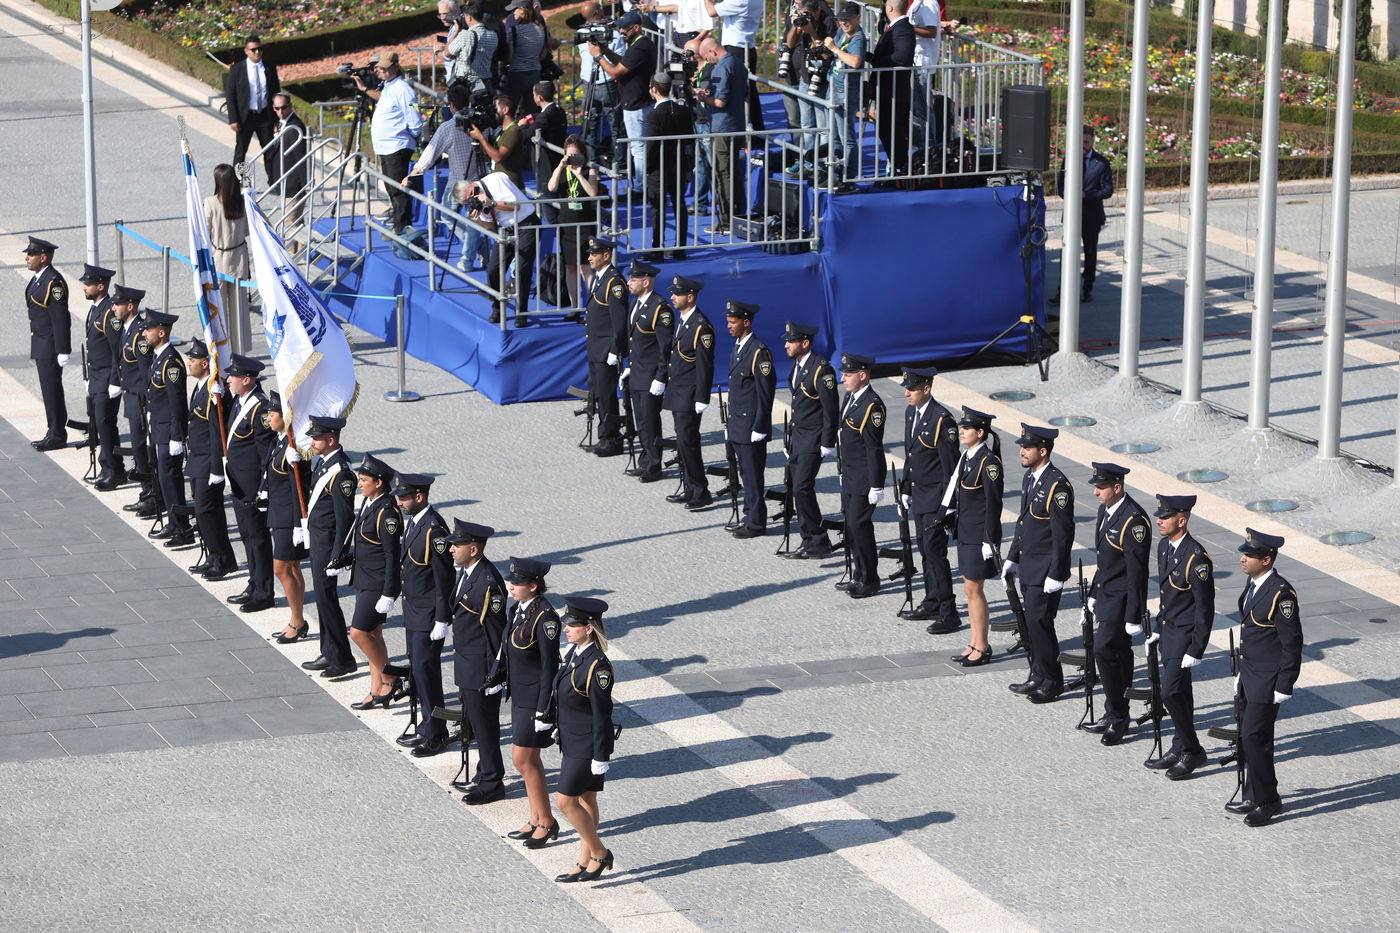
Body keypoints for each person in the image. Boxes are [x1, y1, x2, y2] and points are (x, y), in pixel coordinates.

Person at [1227, 528, 1302, 828]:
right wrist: (1241, 674)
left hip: (1268, 681)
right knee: (1251, 738)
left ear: (1267, 560)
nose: (1243, 559)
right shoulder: (1254, 582)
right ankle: (1253, 793)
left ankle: (1269, 799)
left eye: (1251, 556)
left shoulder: (1281, 594)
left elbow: (1292, 641)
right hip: (1250, 675)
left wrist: (1286, 683)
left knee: (1254, 737)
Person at [1002, 424, 1074, 704]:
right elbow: (1024, 524)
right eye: (1022, 447)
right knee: (1031, 625)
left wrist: (1057, 573)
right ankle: (1037, 674)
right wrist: (1012, 556)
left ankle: (1052, 681)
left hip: (1045, 570)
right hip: (1029, 566)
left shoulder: (1057, 485)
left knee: (1040, 623)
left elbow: (1062, 534)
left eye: (1027, 448)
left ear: (1042, 451)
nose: (1021, 451)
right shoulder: (1031, 479)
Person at [1081, 462, 1151, 746]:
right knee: (1118, 654)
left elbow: (1137, 573)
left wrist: (1135, 614)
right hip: (1107, 594)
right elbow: (1104, 558)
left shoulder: (1134, 521)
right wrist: (1095, 591)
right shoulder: (1106, 510)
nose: (1096, 492)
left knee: (1103, 648)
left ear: (1117, 488)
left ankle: (1119, 715)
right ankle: (1114, 712)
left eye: (1101, 487)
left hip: (1122, 599)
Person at [1145, 494, 1214, 779]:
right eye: (1159, 516)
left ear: (1182, 520)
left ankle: (1194, 750)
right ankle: (1179, 745)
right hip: (1169, 631)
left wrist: (1197, 648)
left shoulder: (1196, 558)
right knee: (1180, 693)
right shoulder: (1164, 547)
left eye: (1165, 517)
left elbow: (1204, 607)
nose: (1159, 521)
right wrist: (1158, 628)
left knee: (1170, 692)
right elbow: (1167, 596)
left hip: (1185, 636)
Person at [550, 596, 616, 884]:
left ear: (589, 628)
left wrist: (601, 755)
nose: (566, 628)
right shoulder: (575, 654)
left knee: (565, 801)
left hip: (587, 745)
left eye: (573, 625)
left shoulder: (597, 666)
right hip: (572, 739)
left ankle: (600, 853)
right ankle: (584, 858)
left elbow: (602, 714)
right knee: (586, 799)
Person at [445, 518, 509, 805]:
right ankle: (484, 771)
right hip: (467, 661)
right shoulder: (466, 573)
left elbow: (496, 633)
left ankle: (492, 781)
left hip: (480, 667)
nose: (451, 550)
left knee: (485, 726)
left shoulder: (487, 583)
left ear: (473, 549)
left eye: (456, 545)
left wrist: (496, 673)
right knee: (476, 722)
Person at [393, 472, 455, 757]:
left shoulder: (434, 530)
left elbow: (444, 577)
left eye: (404, 497)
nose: (400, 502)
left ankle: (437, 733)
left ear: (420, 497)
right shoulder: (414, 523)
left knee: (427, 674)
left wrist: (442, 618)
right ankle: (427, 726)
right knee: (418, 672)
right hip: (414, 611)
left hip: (429, 615)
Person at [503, 557, 562, 849]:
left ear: (533, 586)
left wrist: (544, 708)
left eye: (517, 583)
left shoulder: (546, 618)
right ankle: (537, 817)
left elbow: (550, 666)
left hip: (534, 698)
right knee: (527, 760)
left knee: (523, 760)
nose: (511, 586)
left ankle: (547, 821)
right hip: (520, 695)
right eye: (511, 581)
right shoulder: (519, 609)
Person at [896, 366, 960, 630]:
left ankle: (949, 611)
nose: (906, 394)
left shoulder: (942, 420)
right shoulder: (913, 413)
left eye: (911, 389)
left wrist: (948, 508)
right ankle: (932, 601)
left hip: (936, 499)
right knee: (924, 551)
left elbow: (950, 469)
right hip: (920, 495)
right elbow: (911, 457)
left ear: (927, 389)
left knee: (935, 554)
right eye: (906, 388)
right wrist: (906, 489)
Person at [300, 415, 359, 679]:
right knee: (322, 599)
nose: (311, 442)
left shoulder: (341, 473)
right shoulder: (323, 464)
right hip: (319, 541)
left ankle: (343, 657)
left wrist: (339, 554)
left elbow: (345, 518)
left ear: (331, 440)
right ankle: (329, 649)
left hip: (328, 546)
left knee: (327, 598)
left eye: (316, 438)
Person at [346, 454, 404, 711]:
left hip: (378, 583)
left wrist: (390, 592)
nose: (360, 483)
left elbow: (392, 556)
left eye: (364, 480)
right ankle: (376, 689)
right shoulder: (370, 503)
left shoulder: (387, 512)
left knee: (358, 633)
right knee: (373, 634)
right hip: (365, 578)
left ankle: (391, 679)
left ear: (379, 483)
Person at [221, 353, 276, 613]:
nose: (228, 379)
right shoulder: (239, 400)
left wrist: (264, 490)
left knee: (257, 539)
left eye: (233, 375)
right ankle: (254, 583)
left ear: (246, 379)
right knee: (246, 537)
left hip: (253, 487)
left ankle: (264, 592)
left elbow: (266, 455)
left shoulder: (260, 408)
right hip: (239, 483)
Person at [948, 407, 1002, 666]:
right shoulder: (969, 457)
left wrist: (989, 539)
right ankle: (974, 640)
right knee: (969, 589)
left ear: (980, 433)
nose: (962, 431)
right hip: (966, 531)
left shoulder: (988, 462)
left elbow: (994, 504)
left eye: (967, 429)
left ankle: (982, 645)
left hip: (979, 535)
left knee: (974, 589)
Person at [182, 339, 238, 581]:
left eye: (192, 360)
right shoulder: (201, 388)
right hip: (197, 459)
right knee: (205, 512)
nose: (188, 363)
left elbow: (218, 431)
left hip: (208, 462)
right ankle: (215, 557)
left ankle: (222, 559)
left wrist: (217, 467)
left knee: (207, 511)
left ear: (206, 363)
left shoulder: (214, 392)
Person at [781, 321, 838, 559]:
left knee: (803, 487)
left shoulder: (821, 369)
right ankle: (809, 539)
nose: (786, 345)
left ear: (805, 343)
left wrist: (827, 441)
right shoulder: (798, 366)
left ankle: (817, 539)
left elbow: (830, 409)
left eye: (791, 341)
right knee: (796, 487)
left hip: (813, 439)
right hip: (799, 437)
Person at [661, 274, 715, 510]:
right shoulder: (683, 321)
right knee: (682, 443)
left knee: (688, 442)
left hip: (690, 395)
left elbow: (705, 365)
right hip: (678, 391)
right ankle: (690, 487)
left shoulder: (701, 327)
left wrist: (702, 397)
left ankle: (701, 491)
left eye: (677, 294)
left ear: (690, 297)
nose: (672, 297)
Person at [140, 311, 194, 548]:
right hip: (159, 428)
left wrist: (177, 436)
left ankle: (183, 528)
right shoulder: (158, 357)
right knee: (164, 478)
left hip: (168, 431)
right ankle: (174, 522)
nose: (144, 333)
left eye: (148, 330)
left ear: (161, 333)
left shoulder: (171, 362)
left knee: (171, 479)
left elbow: (177, 402)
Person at [355, 53, 424, 234]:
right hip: (387, 146)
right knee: (391, 187)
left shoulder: (402, 88)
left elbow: (413, 116)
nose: (381, 71)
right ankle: (398, 225)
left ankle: (402, 228)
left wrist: (414, 135)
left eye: (385, 68)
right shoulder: (388, 86)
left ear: (395, 66)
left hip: (397, 145)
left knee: (397, 189)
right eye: (379, 68)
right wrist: (364, 89)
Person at [723, 300, 775, 538]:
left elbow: (766, 393)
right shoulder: (739, 347)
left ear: (746, 322)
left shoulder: (758, 352)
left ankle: (756, 523)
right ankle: (748, 516)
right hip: (739, 423)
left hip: (751, 425)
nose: (729, 326)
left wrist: (761, 425)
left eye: (733, 322)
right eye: (728, 322)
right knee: (745, 474)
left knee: (753, 477)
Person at [836, 353, 886, 598]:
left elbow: (873, 448)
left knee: (859, 525)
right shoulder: (851, 397)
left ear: (862, 375)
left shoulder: (872, 406)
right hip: (851, 474)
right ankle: (858, 573)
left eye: (848, 374)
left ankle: (869, 578)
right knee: (851, 526)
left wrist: (876, 484)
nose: (842, 378)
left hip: (864, 478)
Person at [262, 392, 311, 643]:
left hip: (287, 518)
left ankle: (297, 620)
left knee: (281, 569)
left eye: (272, 414)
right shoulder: (279, 440)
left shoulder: (294, 446)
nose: (268, 418)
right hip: (277, 514)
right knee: (292, 568)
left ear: (285, 417)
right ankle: (297, 617)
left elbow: (298, 488)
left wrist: (297, 524)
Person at [588, 10, 655, 189]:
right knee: (638, 147)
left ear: (637, 27)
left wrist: (598, 56)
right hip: (636, 102)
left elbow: (616, 71)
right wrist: (606, 51)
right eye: (620, 28)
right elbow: (623, 62)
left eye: (625, 28)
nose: (621, 31)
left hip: (636, 104)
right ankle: (641, 185)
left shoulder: (640, 47)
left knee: (638, 148)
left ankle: (640, 187)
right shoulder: (639, 44)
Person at [463, 167, 538, 327]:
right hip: (505, 229)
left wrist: (492, 203)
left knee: (522, 269)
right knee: (493, 269)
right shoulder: (476, 202)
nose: (473, 198)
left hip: (526, 223)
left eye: (472, 193)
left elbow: (515, 207)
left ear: (471, 184)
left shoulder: (495, 180)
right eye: (468, 201)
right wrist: (477, 220)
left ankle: (521, 312)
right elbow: (490, 228)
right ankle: (498, 307)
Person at [621, 261, 673, 483]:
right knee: (641, 421)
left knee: (650, 421)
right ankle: (645, 460)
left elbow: (664, 347)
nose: (628, 283)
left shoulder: (660, 309)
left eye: (633, 279)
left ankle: (654, 464)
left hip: (651, 375)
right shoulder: (636, 304)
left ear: (646, 282)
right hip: (638, 373)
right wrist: (629, 367)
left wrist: (661, 377)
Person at [111, 285, 158, 517]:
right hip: (132, 396)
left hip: (140, 398)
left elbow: (146, 369)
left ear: (130, 306)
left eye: (117, 304)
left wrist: (149, 404)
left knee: (142, 448)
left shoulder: (139, 333)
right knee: (139, 449)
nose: (113, 308)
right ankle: (146, 491)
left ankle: (151, 496)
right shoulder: (128, 329)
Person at [1053, 125, 1114, 303]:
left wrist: (1087, 195)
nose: (1083, 145)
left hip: (1092, 215)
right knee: (1067, 253)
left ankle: (1087, 288)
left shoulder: (1101, 162)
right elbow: (1061, 187)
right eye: (1080, 141)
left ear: (1092, 142)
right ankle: (1062, 291)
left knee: (1090, 253)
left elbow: (1108, 190)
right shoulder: (1069, 160)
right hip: (1072, 214)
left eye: (1086, 142)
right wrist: (1070, 195)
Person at [582, 237, 630, 458]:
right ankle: (604, 433)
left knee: (607, 394)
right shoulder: (599, 278)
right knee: (599, 393)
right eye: (590, 253)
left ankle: (611, 438)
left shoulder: (614, 282)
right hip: (596, 347)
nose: (589, 257)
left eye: (594, 253)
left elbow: (619, 322)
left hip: (605, 350)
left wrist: (615, 350)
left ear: (606, 255)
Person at [694, 38, 747, 234]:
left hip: (723, 127)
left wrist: (703, 98)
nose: (706, 61)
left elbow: (720, 102)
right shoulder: (737, 63)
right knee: (732, 172)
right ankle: (737, 215)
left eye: (706, 57)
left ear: (713, 52)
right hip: (735, 124)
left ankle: (726, 221)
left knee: (723, 173)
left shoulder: (721, 68)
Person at [79, 263, 124, 488]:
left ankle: (113, 471)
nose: (84, 288)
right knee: (100, 423)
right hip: (97, 376)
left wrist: (116, 382)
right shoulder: (97, 307)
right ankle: (111, 464)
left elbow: (117, 350)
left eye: (88, 284)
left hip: (107, 378)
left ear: (100, 286)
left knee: (106, 424)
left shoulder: (109, 311)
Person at [23, 237, 70, 451]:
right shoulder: (39, 279)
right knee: (48, 390)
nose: (27, 258)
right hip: (40, 343)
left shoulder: (54, 282)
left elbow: (60, 319)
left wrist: (62, 350)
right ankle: (53, 429)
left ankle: (57, 433)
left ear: (43, 257)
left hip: (49, 345)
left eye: (31, 255)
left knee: (52, 390)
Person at [643, 73, 695, 260]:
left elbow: (651, 145)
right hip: (679, 165)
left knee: (658, 208)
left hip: (659, 168)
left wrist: (647, 167)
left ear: (654, 89)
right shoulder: (682, 110)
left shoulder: (655, 115)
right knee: (679, 204)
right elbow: (691, 138)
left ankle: (657, 248)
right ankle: (680, 247)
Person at [546, 136, 602, 308]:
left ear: (583, 155)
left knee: (586, 267)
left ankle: (590, 305)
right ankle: (574, 306)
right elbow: (551, 187)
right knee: (570, 267)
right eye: (569, 155)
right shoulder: (562, 170)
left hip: (585, 223)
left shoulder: (589, 170)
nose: (572, 158)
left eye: (576, 155)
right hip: (567, 223)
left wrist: (579, 174)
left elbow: (592, 193)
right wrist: (561, 166)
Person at [779, 0, 834, 170]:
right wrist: (796, 27)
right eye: (801, 13)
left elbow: (826, 52)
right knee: (806, 125)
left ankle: (824, 164)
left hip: (822, 79)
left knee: (823, 126)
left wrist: (811, 32)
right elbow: (789, 43)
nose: (804, 17)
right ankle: (808, 162)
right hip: (805, 76)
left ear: (817, 10)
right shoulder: (797, 17)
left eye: (807, 13)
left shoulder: (828, 21)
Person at [822, 3, 868, 191]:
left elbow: (856, 62)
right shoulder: (844, 33)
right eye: (841, 19)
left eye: (848, 18)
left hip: (846, 93)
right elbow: (836, 54)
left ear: (858, 18)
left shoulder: (858, 38)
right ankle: (835, 177)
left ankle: (849, 180)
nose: (843, 22)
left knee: (847, 138)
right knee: (833, 137)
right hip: (833, 89)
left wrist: (834, 49)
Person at [866, 0, 914, 178]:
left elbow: (902, 57)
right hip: (888, 89)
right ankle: (899, 170)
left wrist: (875, 61)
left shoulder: (902, 28)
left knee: (893, 134)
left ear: (890, 8)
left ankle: (902, 172)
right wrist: (870, 57)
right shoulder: (896, 27)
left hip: (894, 91)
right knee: (887, 132)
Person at [704, 0, 764, 135]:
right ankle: (757, 131)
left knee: (738, 93)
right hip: (746, 48)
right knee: (750, 93)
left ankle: (745, 132)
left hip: (737, 49)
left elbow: (711, 11)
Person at [576, 2, 626, 163]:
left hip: (590, 82)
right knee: (615, 123)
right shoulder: (613, 34)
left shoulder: (581, 33)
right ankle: (618, 162)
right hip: (605, 83)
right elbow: (621, 60)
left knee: (591, 123)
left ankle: (591, 162)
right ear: (598, 11)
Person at [224, 35, 280, 175]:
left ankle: (274, 182)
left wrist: (276, 119)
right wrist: (233, 119)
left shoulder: (269, 67)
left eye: (259, 49)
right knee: (241, 152)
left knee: (270, 151)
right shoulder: (237, 69)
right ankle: (237, 183)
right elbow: (230, 95)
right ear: (246, 51)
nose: (257, 52)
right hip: (246, 117)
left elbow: (275, 92)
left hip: (264, 116)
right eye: (253, 49)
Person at [203, 164, 251, 325]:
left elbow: (205, 231)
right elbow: (247, 230)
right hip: (240, 256)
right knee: (239, 308)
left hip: (220, 257)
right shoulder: (242, 202)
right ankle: (240, 347)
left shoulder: (210, 203)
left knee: (219, 306)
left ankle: (221, 345)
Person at [267, 94, 310, 253]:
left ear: (290, 106)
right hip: (285, 182)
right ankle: (302, 254)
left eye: (284, 107)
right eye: (277, 108)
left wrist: (306, 184)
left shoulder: (295, 127)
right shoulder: (281, 124)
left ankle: (292, 256)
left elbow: (302, 158)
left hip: (294, 185)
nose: (281, 111)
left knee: (289, 222)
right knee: (296, 222)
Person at [529, 81, 567, 224]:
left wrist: (520, 126)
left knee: (548, 202)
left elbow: (527, 135)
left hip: (546, 165)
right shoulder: (558, 109)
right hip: (556, 161)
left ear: (539, 97)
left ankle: (554, 229)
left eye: (533, 94)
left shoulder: (545, 116)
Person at [503, 0, 549, 114]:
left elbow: (509, 57)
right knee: (529, 114)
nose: (513, 12)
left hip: (517, 74)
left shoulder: (514, 30)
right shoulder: (541, 28)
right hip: (535, 74)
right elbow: (543, 54)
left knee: (508, 111)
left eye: (515, 9)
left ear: (522, 9)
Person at [448, 1, 500, 97]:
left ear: (469, 16)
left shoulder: (465, 35)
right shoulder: (493, 35)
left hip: (468, 85)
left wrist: (456, 31)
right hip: (486, 83)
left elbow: (447, 52)